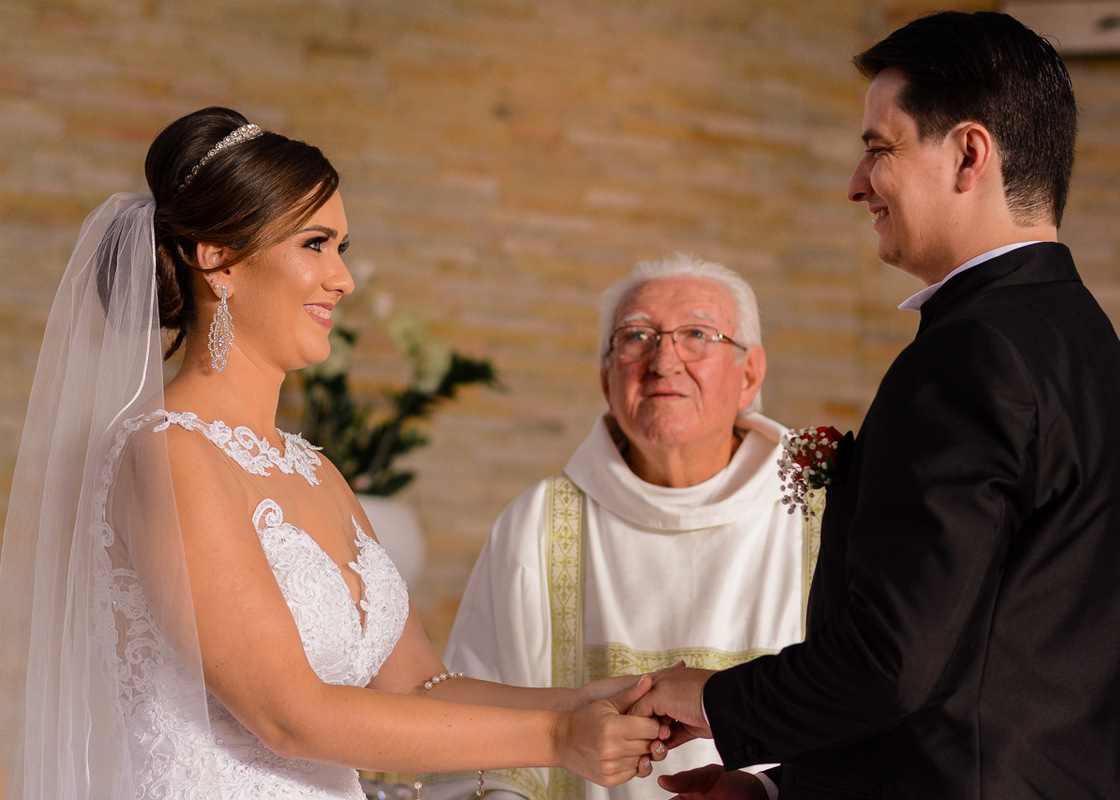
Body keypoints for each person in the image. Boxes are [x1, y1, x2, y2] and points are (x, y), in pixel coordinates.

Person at [0, 106, 668, 799]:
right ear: (217, 257)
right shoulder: (166, 453)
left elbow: (418, 685)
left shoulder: (314, 468)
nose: (343, 279)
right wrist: (558, 742)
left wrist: (589, 701)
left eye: (342, 248)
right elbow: (287, 717)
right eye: (315, 244)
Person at [630, 11, 1120, 799]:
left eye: (879, 148)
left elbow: (893, 664)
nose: (856, 184)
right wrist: (780, 791)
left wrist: (715, 699)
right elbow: (997, 684)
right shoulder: (1099, 362)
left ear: (967, 153)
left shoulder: (972, 354)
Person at [437, 253, 820, 800]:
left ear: (750, 374)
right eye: (636, 336)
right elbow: (473, 740)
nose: (664, 361)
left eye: (696, 334)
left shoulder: (823, 514)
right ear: (604, 378)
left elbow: (883, 708)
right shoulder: (537, 526)